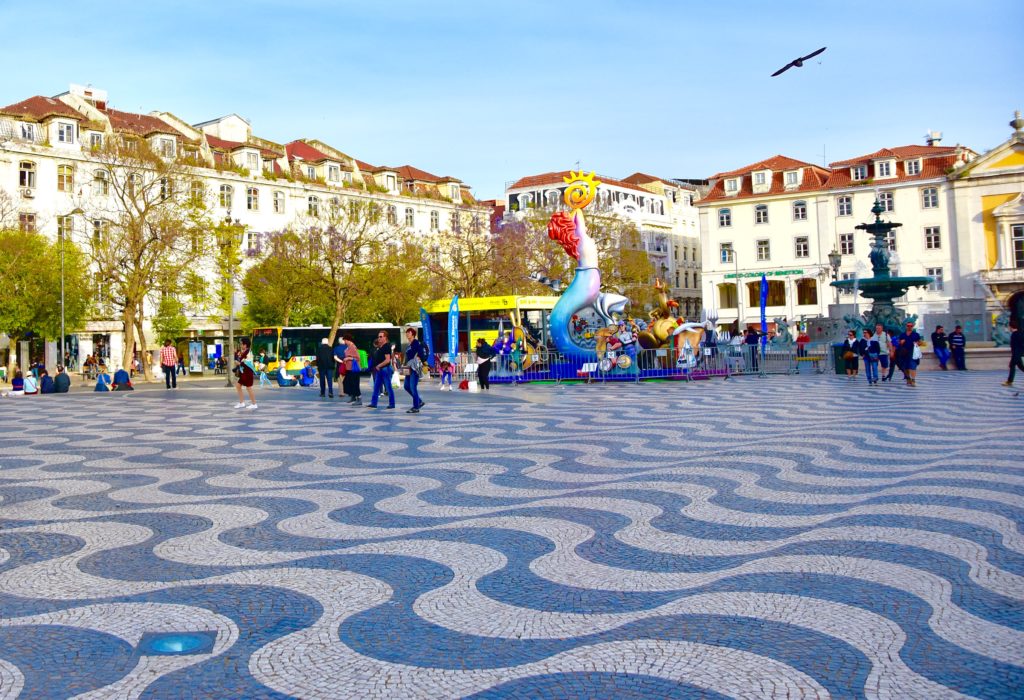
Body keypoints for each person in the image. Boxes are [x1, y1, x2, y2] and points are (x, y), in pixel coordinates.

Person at [367, 330, 395, 409]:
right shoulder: (381, 346)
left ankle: (392, 404)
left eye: (381, 337)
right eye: (378, 336)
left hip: (385, 369)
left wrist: (379, 365)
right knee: (376, 387)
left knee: (388, 387)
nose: (379, 338)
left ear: (385, 337)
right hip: (380, 370)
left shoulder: (386, 346)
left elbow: (387, 359)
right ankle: (374, 403)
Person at [402, 327, 427, 413]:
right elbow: (407, 356)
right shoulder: (409, 344)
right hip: (409, 367)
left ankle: (416, 407)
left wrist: (422, 360)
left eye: (409, 333)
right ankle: (419, 401)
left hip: (415, 368)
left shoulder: (416, 343)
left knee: (413, 387)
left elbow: (421, 353)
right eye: (407, 333)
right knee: (406, 386)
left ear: (413, 334)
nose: (407, 334)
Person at [232, 339, 258, 409]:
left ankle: (254, 404)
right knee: (238, 386)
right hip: (244, 373)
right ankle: (242, 402)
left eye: (241, 344)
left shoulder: (248, 352)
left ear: (245, 345)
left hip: (248, 373)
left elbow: (248, 363)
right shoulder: (245, 352)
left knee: (248, 387)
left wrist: (239, 363)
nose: (241, 345)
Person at [895, 321, 923, 387]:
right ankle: (908, 378)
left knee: (913, 366)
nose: (909, 327)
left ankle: (913, 380)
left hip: (913, 353)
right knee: (905, 367)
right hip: (904, 353)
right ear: (906, 326)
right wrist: (901, 342)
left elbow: (920, 342)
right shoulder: (902, 335)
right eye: (908, 326)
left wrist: (917, 343)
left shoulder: (916, 334)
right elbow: (898, 343)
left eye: (911, 326)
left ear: (913, 327)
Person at [340, 334, 362, 404]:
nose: (345, 342)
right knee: (347, 382)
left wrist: (348, 358)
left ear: (348, 340)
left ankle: (359, 399)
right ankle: (353, 396)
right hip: (349, 368)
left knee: (354, 384)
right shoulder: (349, 347)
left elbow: (358, 358)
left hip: (353, 369)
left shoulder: (353, 347)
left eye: (345, 340)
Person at [1003, 319, 1024, 387]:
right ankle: (1009, 381)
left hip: (1016, 354)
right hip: (1017, 354)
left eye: (1009, 326)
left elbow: (1016, 346)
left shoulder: (1015, 335)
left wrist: (1016, 354)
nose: (1008, 328)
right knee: (1021, 367)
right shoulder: (1018, 334)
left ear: (1011, 327)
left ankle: (1009, 381)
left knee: (1012, 366)